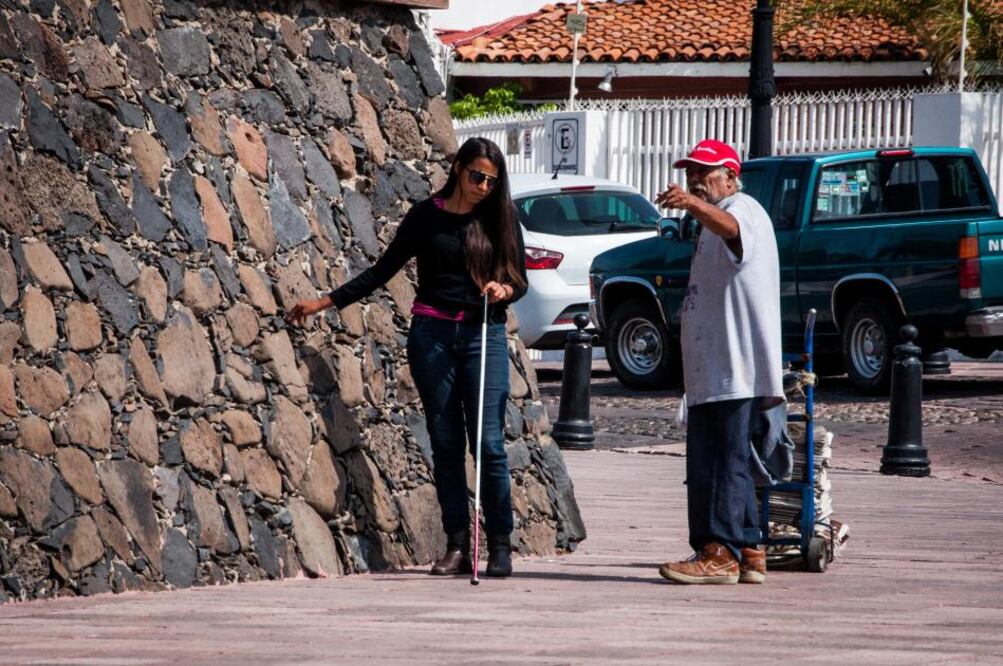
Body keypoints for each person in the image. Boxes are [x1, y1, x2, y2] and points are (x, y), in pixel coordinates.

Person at [286, 137, 527, 578]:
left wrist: (505, 289)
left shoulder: (500, 217)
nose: (484, 187)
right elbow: (382, 271)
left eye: (492, 181)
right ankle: (457, 545)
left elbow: (519, 279)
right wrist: (325, 303)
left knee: (488, 444)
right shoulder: (425, 218)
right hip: (432, 336)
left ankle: (500, 543)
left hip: (483, 334)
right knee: (446, 443)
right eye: (477, 176)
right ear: (457, 169)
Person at [654, 139, 783, 585]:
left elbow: (732, 227)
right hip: (717, 365)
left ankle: (719, 552)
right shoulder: (712, 222)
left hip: (732, 364)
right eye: (690, 172)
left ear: (731, 176)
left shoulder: (741, 207)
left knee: (718, 461)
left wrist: (689, 203)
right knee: (730, 458)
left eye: (704, 172)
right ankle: (749, 548)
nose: (694, 178)